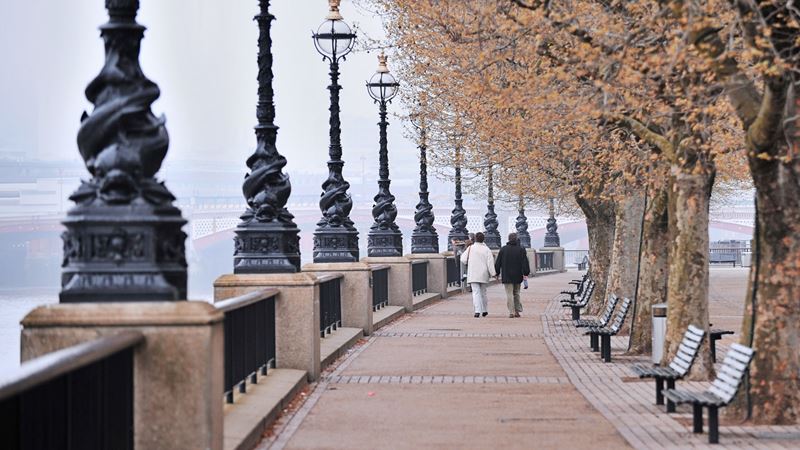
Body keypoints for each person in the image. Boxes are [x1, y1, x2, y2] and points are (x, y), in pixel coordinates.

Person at [494, 232, 531, 318]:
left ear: (508, 239)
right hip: (517, 275)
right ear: (516, 239)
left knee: (509, 293)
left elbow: (498, 262)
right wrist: (526, 272)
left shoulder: (503, 249)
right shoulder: (521, 249)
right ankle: (517, 311)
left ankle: (511, 311)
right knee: (517, 293)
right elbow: (525, 263)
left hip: (506, 275)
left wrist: (497, 272)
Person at [462, 232, 496, 317]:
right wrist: (493, 273)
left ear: (475, 239)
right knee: (483, 292)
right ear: (483, 239)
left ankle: (477, 311)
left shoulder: (470, 248)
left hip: (473, 273)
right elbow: (490, 263)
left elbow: (463, 259)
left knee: (475, 292)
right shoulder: (487, 249)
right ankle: (484, 310)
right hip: (483, 274)